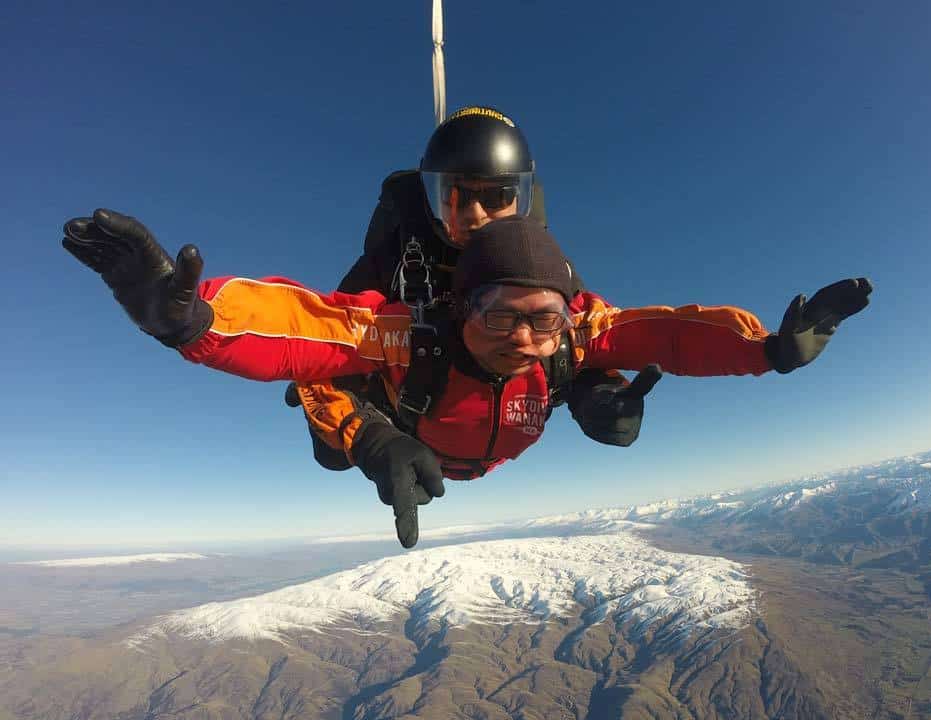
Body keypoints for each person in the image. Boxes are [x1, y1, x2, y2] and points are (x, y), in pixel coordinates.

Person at [61, 212, 872, 548]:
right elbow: (303, 328)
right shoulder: (405, 335)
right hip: (406, 439)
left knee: (593, 371)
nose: (522, 337)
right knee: (332, 418)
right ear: (458, 306)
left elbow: (660, 331)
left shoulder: (568, 340)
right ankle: (353, 441)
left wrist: (767, 350)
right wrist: (192, 321)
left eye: (543, 319)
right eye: (496, 314)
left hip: (483, 450)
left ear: (567, 316)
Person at [293, 106, 658, 480]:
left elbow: (576, 337)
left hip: (506, 431)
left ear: (522, 197)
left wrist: (599, 393)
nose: (475, 215)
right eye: (456, 196)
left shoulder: (540, 266)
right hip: (408, 429)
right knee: (331, 454)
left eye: (497, 196)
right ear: (430, 198)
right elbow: (325, 346)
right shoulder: (393, 264)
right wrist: (369, 436)